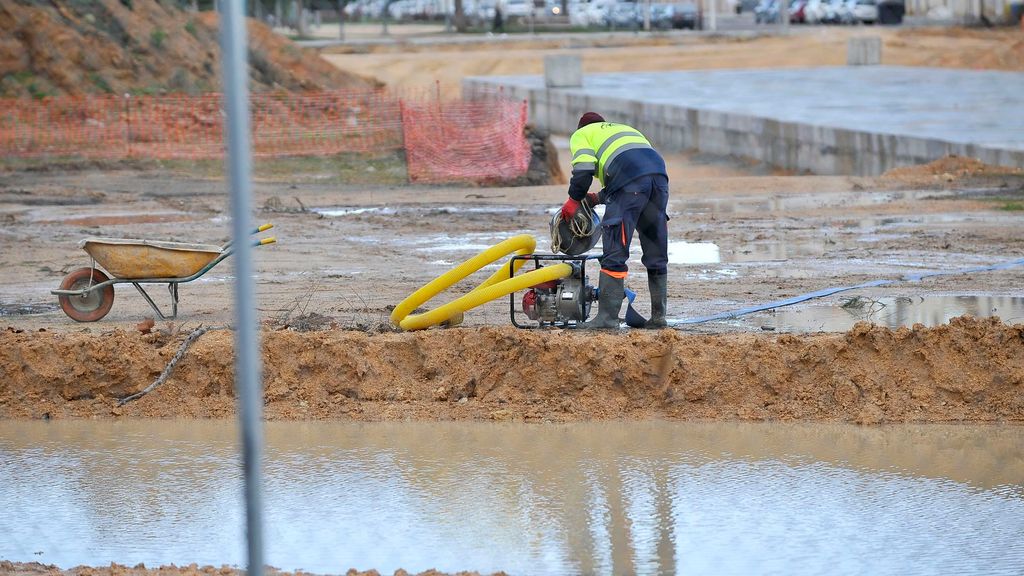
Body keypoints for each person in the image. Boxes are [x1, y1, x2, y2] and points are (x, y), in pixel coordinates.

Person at [560, 112, 669, 329]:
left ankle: (607, 319)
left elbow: (584, 170)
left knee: (615, 248)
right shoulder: (625, 130)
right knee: (655, 247)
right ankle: (659, 317)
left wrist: (573, 200)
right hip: (659, 178)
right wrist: (596, 198)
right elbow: (634, 175)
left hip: (630, 182)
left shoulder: (582, 134)